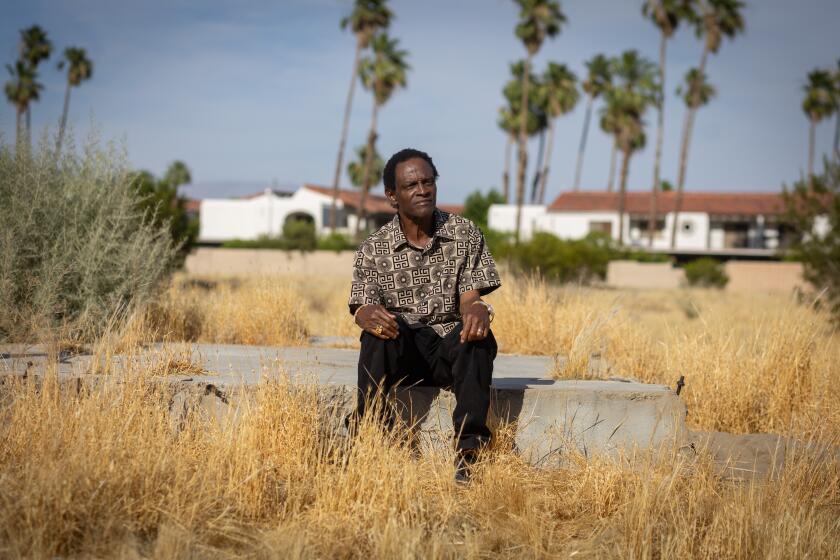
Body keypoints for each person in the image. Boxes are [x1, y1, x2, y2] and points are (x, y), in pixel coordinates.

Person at [347, 148, 502, 482]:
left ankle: (469, 452)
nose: (423, 190)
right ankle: (367, 433)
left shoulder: (464, 233)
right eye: (411, 184)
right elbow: (361, 306)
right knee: (377, 332)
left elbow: (469, 297)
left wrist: (477, 309)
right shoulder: (374, 248)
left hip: (448, 351)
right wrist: (366, 314)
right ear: (392, 196)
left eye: (428, 181)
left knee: (477, 336)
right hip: (403, 353)